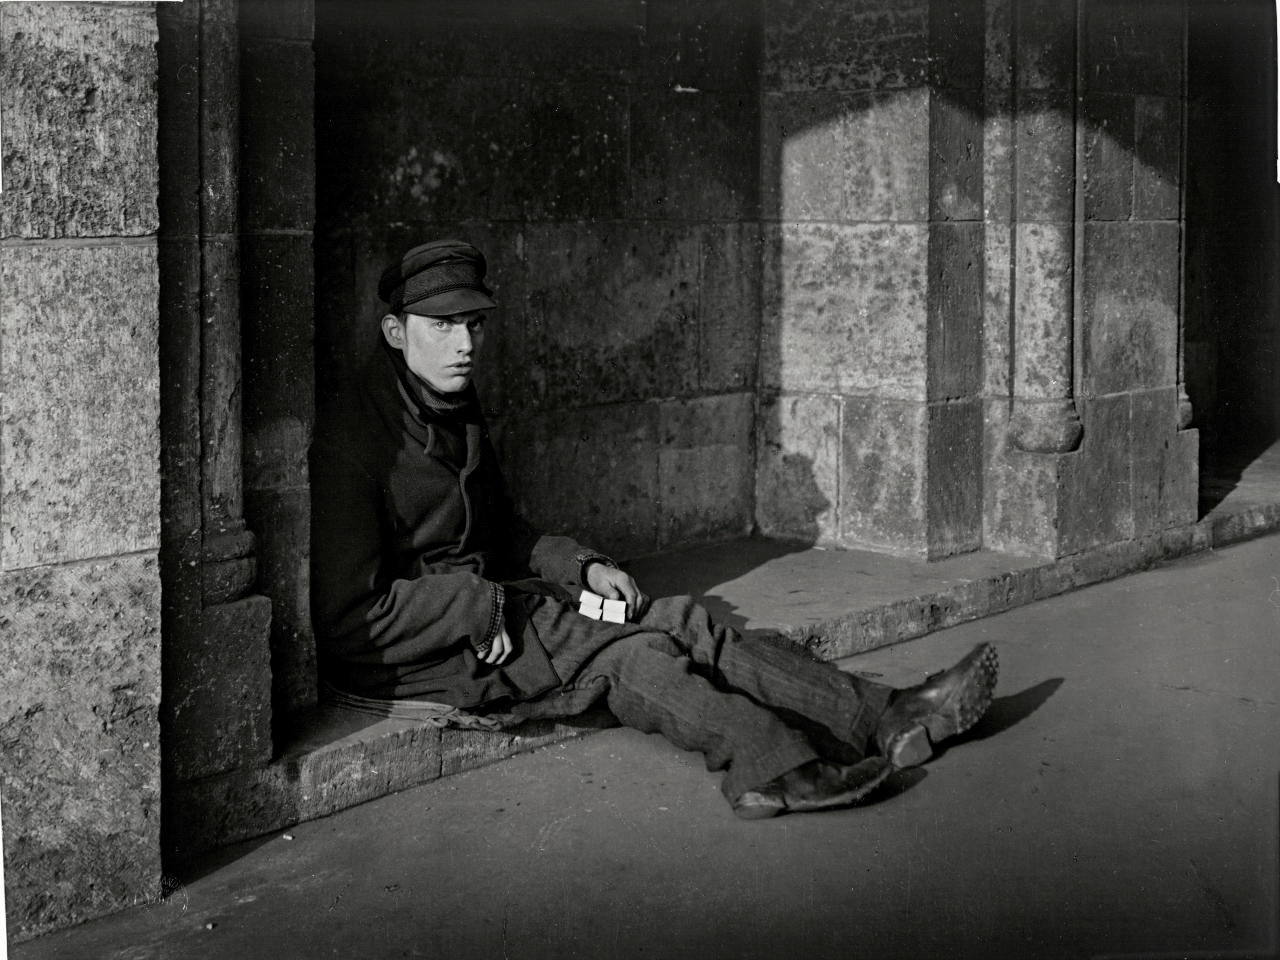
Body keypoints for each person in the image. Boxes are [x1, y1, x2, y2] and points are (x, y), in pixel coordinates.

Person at [311, 239, 999, 819]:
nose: (464, 345)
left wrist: (578, 567)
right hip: (425, 653)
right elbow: (348, 617)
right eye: (442, 326)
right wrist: (479, 605)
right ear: (396, 330)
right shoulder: (355, 436)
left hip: (488, 613)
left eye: (475, 325)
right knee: (634, 656)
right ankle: (772, 767)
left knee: (684, 622)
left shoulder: (448, 400)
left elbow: (500, 528)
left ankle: (884, 714)